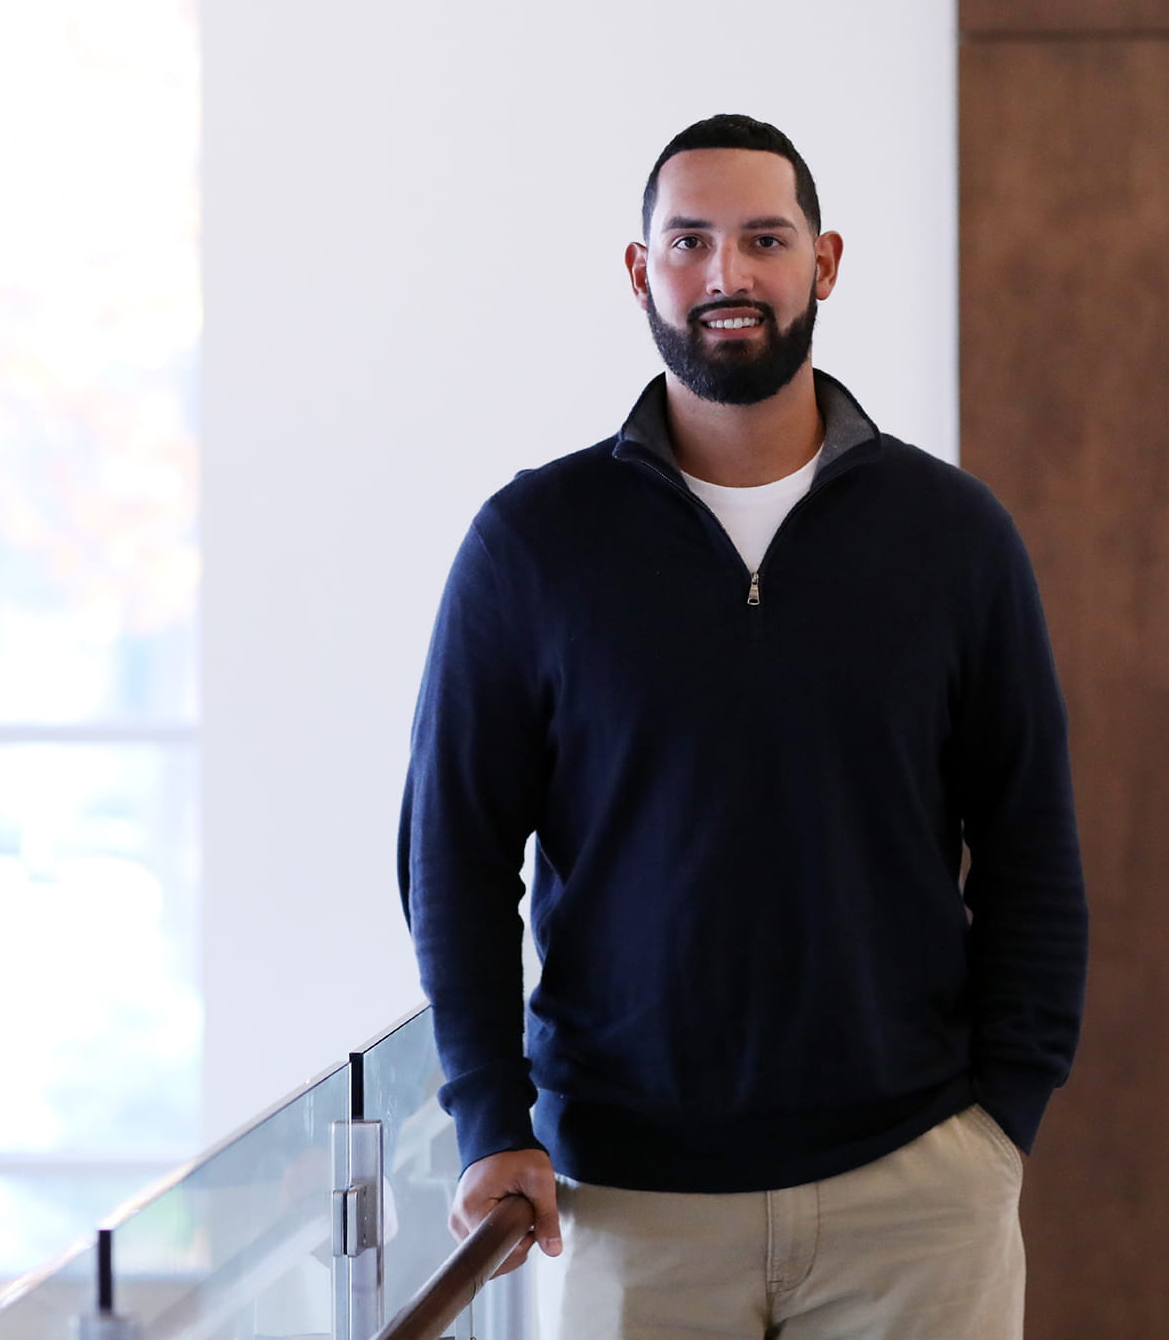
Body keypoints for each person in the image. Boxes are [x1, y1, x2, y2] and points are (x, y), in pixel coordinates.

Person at [398, 114, 1087, 1339]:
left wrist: (1003, 1119)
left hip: (915, 1194)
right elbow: (450, 853)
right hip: (631, 1200)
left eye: (763, 240)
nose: (727, 274)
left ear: (821, 264)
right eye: (691, 242)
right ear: (639, 270)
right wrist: (488, 1120)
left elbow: (1031, 842)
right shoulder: (533, 547)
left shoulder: (951, 537)